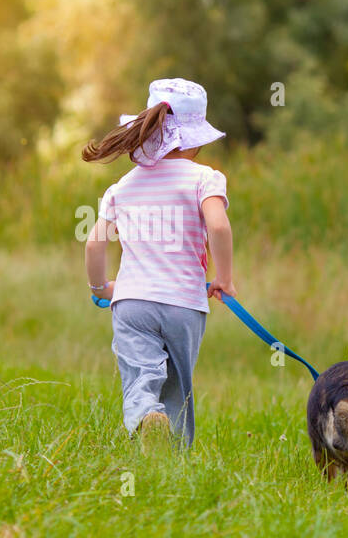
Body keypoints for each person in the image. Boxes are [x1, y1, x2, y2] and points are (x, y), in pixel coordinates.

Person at [82, 78, 235, 448]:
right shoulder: (204, 178)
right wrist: (224, 278)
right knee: (177, 384)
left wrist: (100, 288)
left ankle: (145, 414)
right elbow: (217, 224)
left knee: (140, 376)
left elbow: (94, 242)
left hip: (133, 301)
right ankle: (173, 457)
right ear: (196, 139)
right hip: (185, 303)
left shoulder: (123, 186)